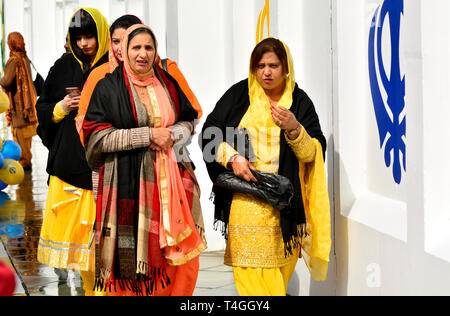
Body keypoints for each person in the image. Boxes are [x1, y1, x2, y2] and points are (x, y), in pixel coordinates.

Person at [200, 38, 331, 296]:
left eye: (273, 65)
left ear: (286, 68)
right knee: (250, 280)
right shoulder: (239, 95)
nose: (267, 72)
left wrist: (294, 128)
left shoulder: (299, 102)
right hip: (245, 202)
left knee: (276, 281)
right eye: (260, 66)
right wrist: (233, 158)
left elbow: (311, 155)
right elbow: (208, 135)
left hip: (284, 207)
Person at [82, 24, 206, 296]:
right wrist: (147, 136)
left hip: (172, 186)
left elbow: (189, 119)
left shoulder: (168, 83)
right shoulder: (107, 88)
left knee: (180, 262)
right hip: (128, 189)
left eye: (148, 47)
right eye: (135, 47)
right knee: (136, 269)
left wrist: (173, 134)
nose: (143, 54)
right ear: (123, 51)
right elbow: (96, 139)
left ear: (156, 51)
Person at [35, 7, 110, 296]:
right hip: (67, 169)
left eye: (89, 37)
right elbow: (42, 110)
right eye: (78, 38)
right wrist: (61, 107)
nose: (83, 44)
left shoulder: (112, 68)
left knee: (100, 250)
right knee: (75, 250)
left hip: (101, 168)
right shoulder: (63, 66)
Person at [76, 14, 203, 144]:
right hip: (120, 160)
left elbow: (193, 114)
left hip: (168, 155)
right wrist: (147, 137)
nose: (120, 48)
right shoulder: (100, 75)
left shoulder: (166, 70)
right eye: (116, 41)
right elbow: (86, 125)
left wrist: (168, 136)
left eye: (128, 39)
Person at [0, 32, 38, 170]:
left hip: (18, 108)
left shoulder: (14, 60)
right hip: (28, 107)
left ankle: (25, 167)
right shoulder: (24, 58)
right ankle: (27, 163)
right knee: (26, 140)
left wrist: (1, 79)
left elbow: (7, 81)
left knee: (20, 138)